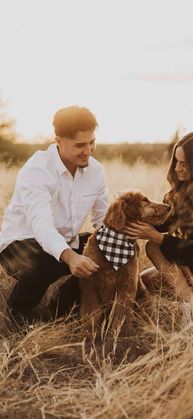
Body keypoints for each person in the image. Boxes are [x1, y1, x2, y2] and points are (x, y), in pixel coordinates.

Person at [0, 105, 109, 321]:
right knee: (45, 260)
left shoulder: (95, 171)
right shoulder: (37, 170)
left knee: (105, 247)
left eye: (92, 142)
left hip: (65, 243)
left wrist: (116, 240)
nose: (88, 150)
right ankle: (17, 315)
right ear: (58, 140)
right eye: (80, 145)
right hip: (19, 247)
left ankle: (61, 305)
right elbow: (43, 229)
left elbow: (103, 220)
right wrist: (71, 258)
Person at [124, 131, 193, 327]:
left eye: (184, 164)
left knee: (153, 246)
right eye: (176, 161)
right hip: (188, 266)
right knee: (144, 282)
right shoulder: (181, 192)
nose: (177, 168)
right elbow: (166, 223)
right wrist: (136, 214)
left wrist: (156, 237)